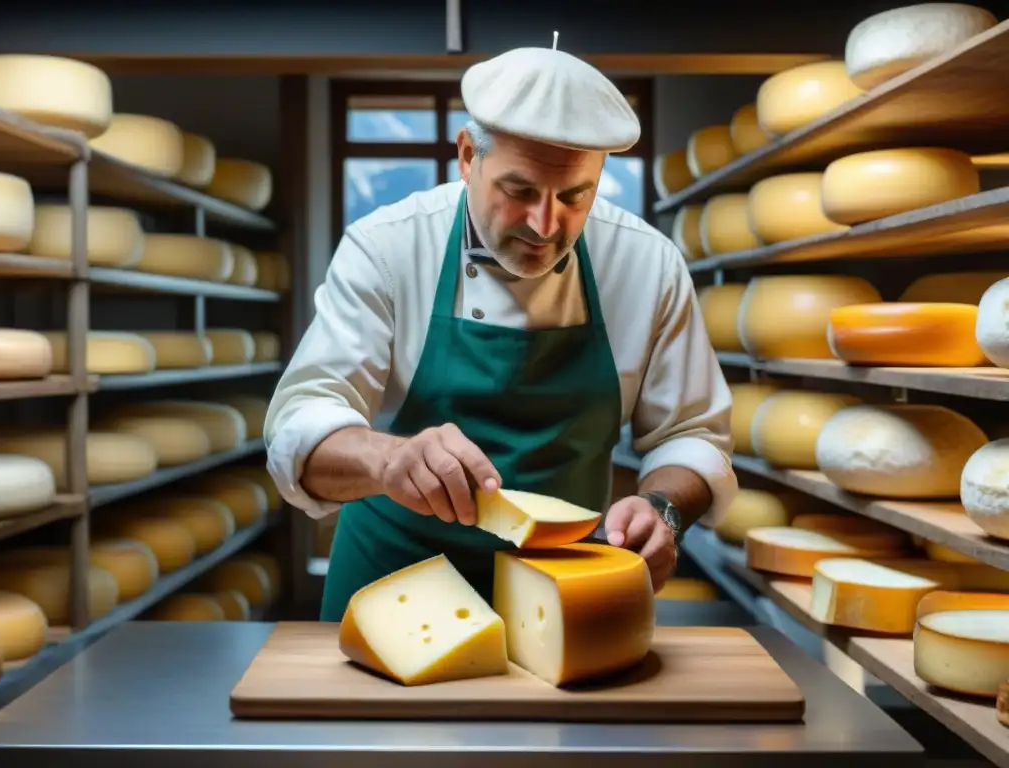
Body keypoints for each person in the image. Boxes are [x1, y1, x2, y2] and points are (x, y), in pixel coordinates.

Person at [264, 42, 738, 622]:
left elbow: (691, 435)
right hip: (394, 589)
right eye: (520, 192)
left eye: (575, 196)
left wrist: (662, 509)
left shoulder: (648, 264)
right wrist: (389, 460)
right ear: (468, 156)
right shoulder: (387, 247)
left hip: (564, 597)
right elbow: (301, 424)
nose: (546, 225)